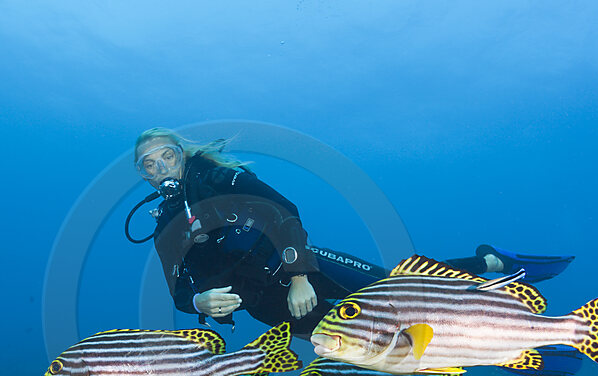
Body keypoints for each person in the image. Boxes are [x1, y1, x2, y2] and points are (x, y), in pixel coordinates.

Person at [130, 127, 574, 340]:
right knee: (350, 342)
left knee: (399, 288)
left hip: (299, 266)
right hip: (261, 303)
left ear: (181, 154)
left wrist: (300, 275)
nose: (160, 168)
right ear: (143, 175)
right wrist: (198, 303)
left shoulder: (223, 181)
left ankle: (491, 264)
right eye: (148, 165)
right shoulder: (164, 226)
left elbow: (284, 213)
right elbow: (177, 287)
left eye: (165, 156)